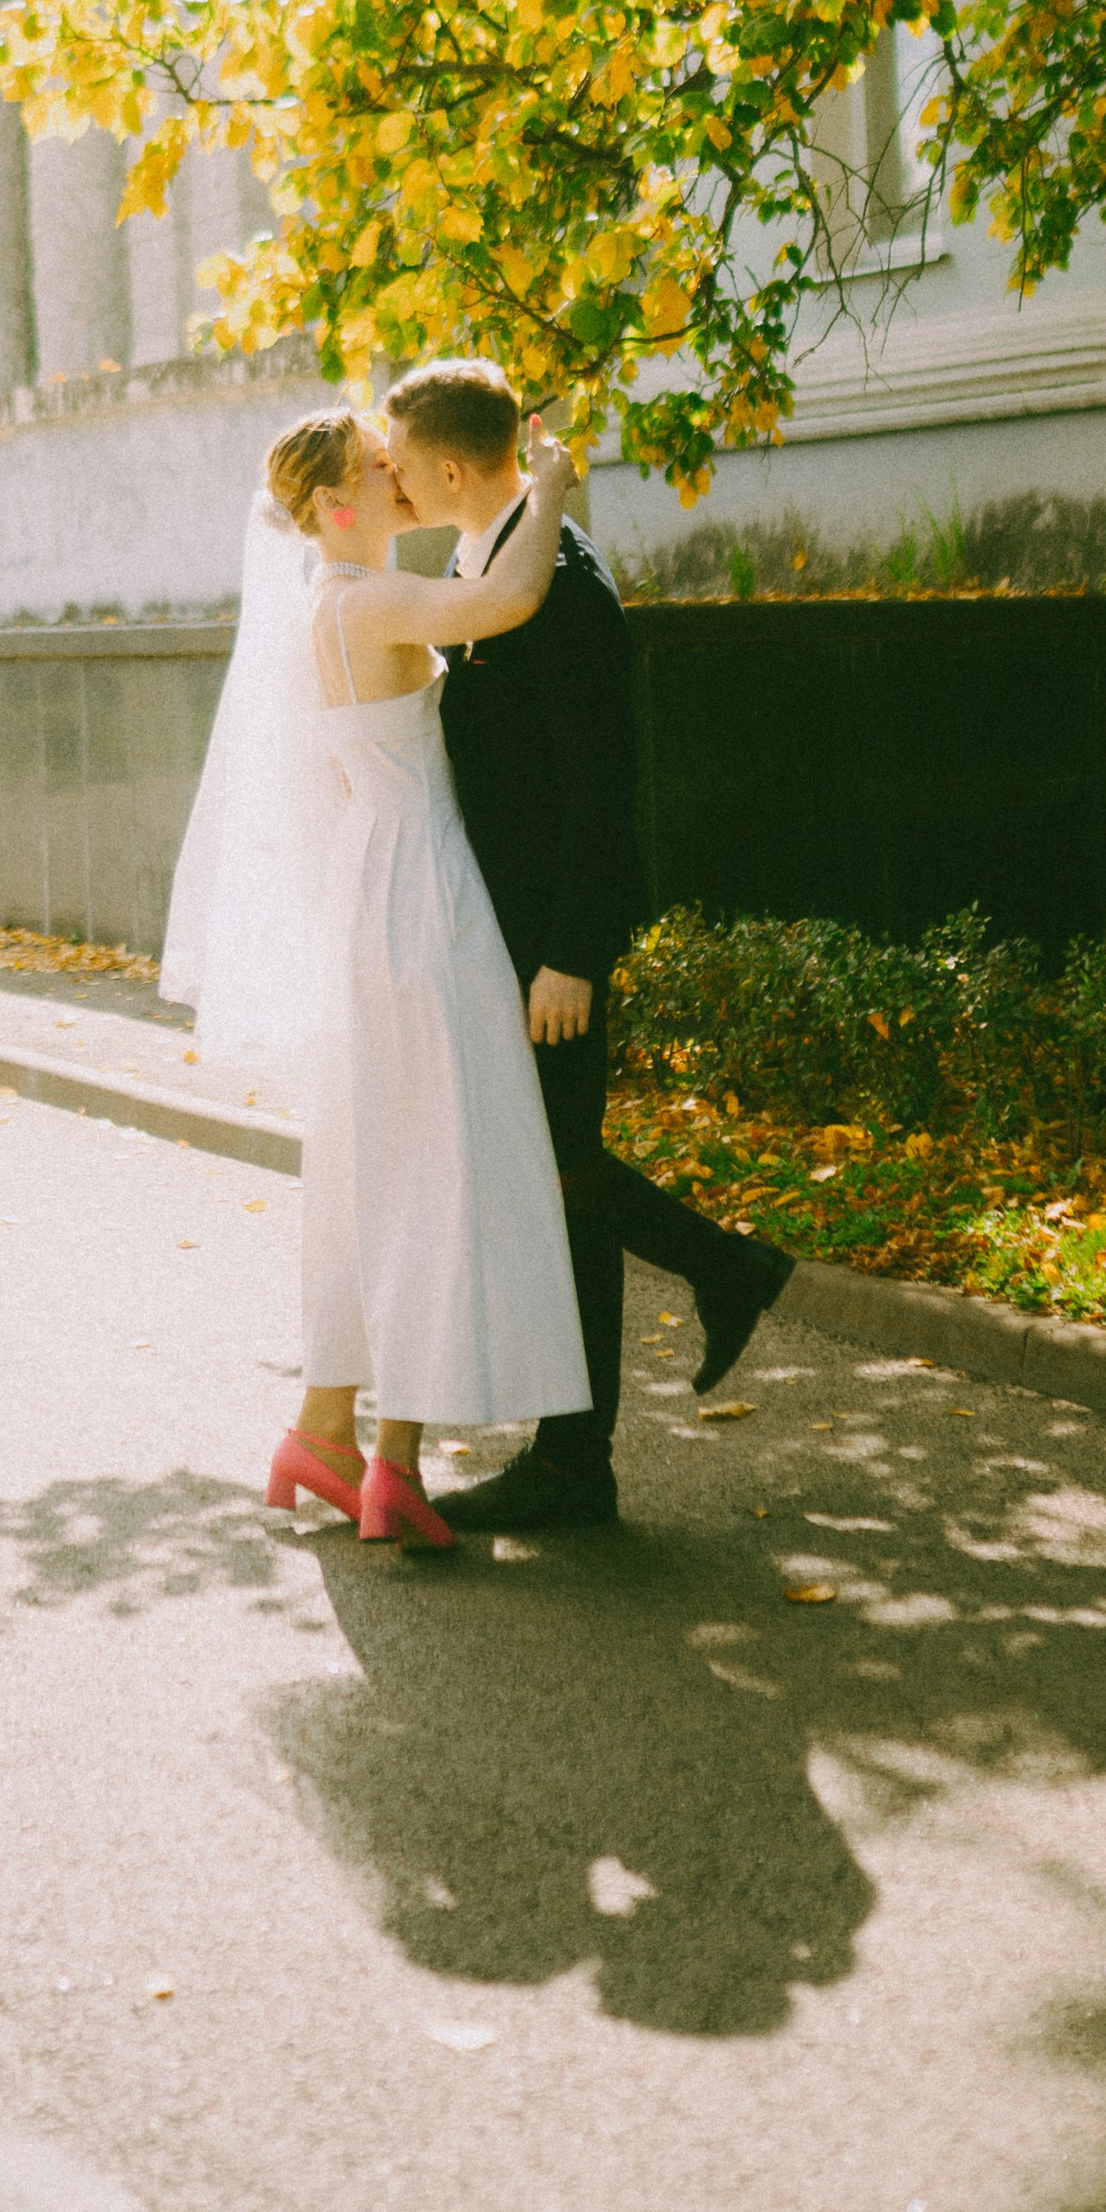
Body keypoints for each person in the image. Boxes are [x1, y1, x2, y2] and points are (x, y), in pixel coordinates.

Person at [162, 407, 592, 1553]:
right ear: (335, 506)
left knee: (384, 1164)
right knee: (434, 1167)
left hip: (374, 883)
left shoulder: (324, 603)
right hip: (420, 895)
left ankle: (334, 1432)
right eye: (374, 466)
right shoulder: (370, 599)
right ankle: (379, 1455)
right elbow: (507, 602)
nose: (396, 473)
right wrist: (549, 486)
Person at [381, 356, 793, 1535]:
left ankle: (581, 1457)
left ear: (451, 465)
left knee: (560, 1174)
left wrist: (574, 953)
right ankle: (708, 1292)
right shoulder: (491, 563)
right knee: (552, 1175)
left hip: (542, 947)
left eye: (402, 462)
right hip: (489, 934)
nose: (393, 479)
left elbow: (604, 794)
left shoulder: (561, 587)